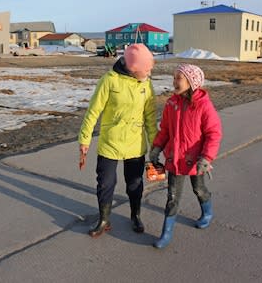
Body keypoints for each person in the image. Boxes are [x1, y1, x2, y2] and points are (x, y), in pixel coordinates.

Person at [78, 43, 157, 238]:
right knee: (106, 183)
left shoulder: (146, 84)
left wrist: (156, 146)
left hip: (135, 144)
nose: (149, 72)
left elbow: (150, 118)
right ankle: (104, 219)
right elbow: (93, 111)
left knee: (134, 183)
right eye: (146, 68)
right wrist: (85, 139)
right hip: (110, 143)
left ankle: (135, 214)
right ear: (133, 67)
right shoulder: (109, 80)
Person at [149, 64, 222, 249]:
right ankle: (166, 234)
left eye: (178, 78)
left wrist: (206, 158)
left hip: (196, 161)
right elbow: (165, 130)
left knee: (199, 189)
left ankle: (207, 213)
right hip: (175, 159)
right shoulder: (171, 103)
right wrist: (157, 147)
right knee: (172, 196)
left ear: (191, 82)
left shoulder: (203, 105)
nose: (174, 82)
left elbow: (214, 133)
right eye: (174, 78)